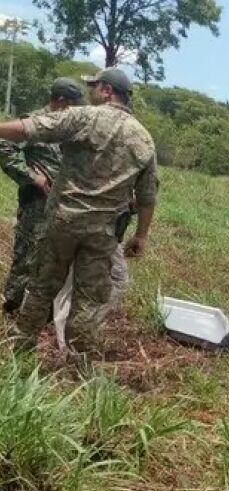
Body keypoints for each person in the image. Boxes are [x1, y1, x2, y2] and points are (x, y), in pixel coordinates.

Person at [0, 67, 158, 355]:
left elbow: (28, 128)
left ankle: (21, 351)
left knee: (41, 287)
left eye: (94, 87)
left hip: (63, 221)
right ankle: (77, 360)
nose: (90, 92)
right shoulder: (144, 139)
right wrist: (141, 236)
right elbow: (147, 197)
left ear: (107, 91)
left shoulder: (84, 117)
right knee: (88, 300)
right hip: (103, 232)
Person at [0, 77, 85, 315]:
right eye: (72, 104)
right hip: (36, 201)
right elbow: (4, 146)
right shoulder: (35, 121)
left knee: (51, 256)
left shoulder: (66, 126)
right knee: (27, 252)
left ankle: (41, 309)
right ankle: (13, 305)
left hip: (62, 202)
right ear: (59, 101)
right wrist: (30, 176)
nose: (75, 110)